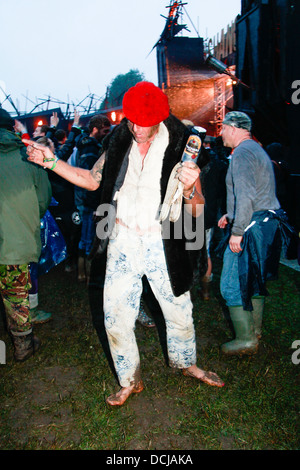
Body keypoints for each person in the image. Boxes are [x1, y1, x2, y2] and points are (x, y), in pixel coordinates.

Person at [24, 81, 225, 406]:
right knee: (115, 316)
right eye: (131, 120)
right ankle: (129, 379)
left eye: (143, 122)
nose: (136, 128)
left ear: (160, 118)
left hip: (164, 243)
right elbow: (92, 180)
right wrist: (50, 162)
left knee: (179, 311)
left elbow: (198, 207)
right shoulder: (118, 145)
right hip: (122, 242)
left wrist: (190, 188)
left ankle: (187, 363)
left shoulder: (180, 147)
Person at [218, 111, 289, 356]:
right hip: (263, 222)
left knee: (231, 283)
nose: (220, 133)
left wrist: (237, 231)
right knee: (254, 278)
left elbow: (247, 194)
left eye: (223, 128)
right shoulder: (256, 149)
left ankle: (246, 340)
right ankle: (255, 332)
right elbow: (258, 191)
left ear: (233, 128)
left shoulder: (242, 154)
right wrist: (231, 215)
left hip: (251, 226)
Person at [0, 108, 52, 361]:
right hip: (14, 241)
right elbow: (43, 200)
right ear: (11, 129)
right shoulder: (27, 156)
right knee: (16, 296)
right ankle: (23, 347)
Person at [73, 114, 111, 282]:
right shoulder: (90, 149)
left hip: (82, 199)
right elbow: (91, 180)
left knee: (84, 238)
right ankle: (87, 277)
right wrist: (95, 204)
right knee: (88, 240)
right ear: (95, 129)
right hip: (88, 201)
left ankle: (82, 274)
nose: (106, 134)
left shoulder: (84, 144)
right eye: (104, 131)